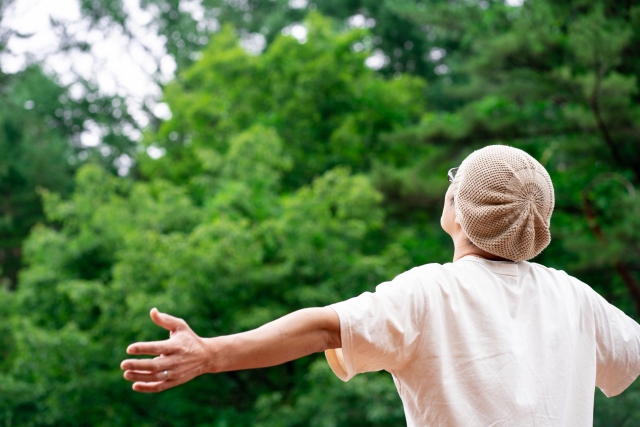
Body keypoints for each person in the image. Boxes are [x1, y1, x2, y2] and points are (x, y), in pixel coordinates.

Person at [121, 145, 640, 426]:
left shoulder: (430, 293)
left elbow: (325, 327)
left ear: (457, 209)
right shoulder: (573, 298)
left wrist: (211, 353)